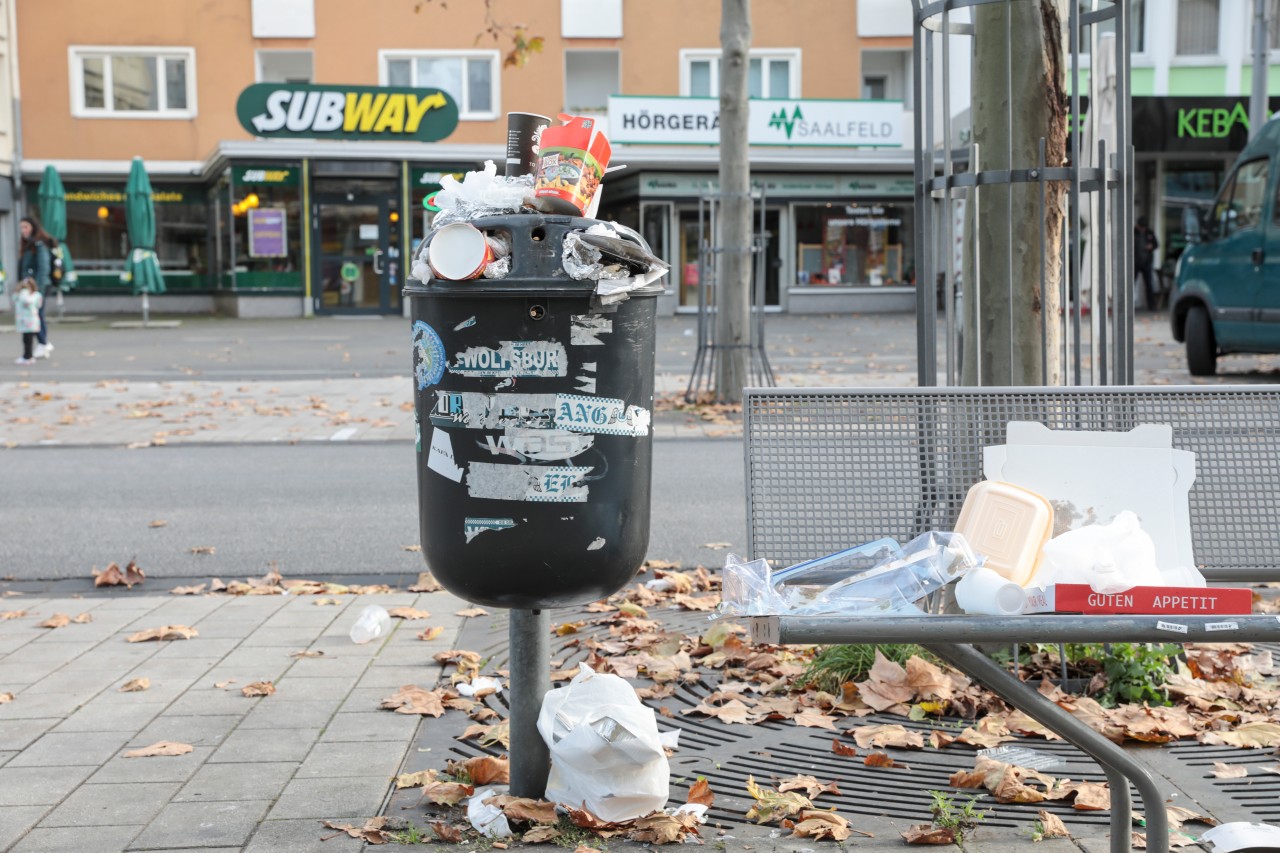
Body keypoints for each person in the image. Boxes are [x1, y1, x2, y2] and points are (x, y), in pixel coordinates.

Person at [19, 216, 55, 358]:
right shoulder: (29, 244)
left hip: (38, 287)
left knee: (35, 315)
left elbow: (43, 267)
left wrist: (37, 289)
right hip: (31, 286)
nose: (23, 230)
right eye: (21, 227)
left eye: (26, 227)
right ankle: (42, 343)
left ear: (33, 227)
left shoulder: (38, 244)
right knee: (36, 315)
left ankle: (43, 343)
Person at [12, 278, 42, 365]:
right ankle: (28, 356)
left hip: (29, 322)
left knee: (28, 341)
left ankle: (27, 357)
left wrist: (24, 291)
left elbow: (27, 301)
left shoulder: (31, 296)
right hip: (26, 322)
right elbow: (14, 298)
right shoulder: (23, 295)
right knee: (27, 341)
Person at [1134, 216, 1159, 312]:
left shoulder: (1149, 232)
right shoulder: (1133, 232)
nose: (1143, 229)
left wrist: (1151, 246)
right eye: (1141, 227)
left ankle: (1151, 305)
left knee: (1149, 284)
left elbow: (1156, 244)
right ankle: (1128, 304)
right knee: (1130, 284)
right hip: (1135, 262)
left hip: (1146, 262)